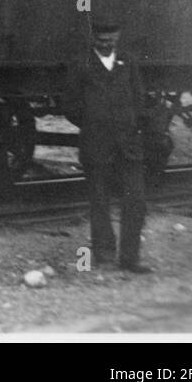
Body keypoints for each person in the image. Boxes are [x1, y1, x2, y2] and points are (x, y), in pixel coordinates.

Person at [62, 19, 165, 274]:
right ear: (94, 39)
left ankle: (130, 259)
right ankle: (104, 254)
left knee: (136, 201)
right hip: (96, 143)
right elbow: (70, 106)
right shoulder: (81, 63)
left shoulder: (128, 62)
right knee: (99, 201)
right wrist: (93, 122)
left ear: (118, 38)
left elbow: (139, 99)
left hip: (128, 144)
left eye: (112, 41)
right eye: (102, 41)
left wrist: (131, 122)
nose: (107, 45)